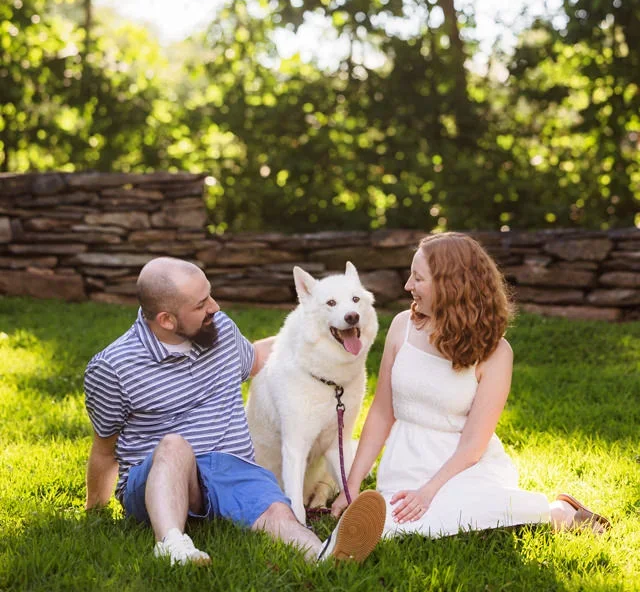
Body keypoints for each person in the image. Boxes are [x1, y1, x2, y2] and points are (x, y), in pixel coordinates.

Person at [84, 256, 385, 566]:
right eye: (201, 304)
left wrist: (313, 334)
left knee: (278, 511)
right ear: (167, 320)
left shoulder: (220, 329)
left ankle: (323, 555)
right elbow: (105, 450)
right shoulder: (112, 368)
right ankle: (172, 545)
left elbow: (255, 358)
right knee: (174, 445)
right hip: (157, 479)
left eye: (209, 295)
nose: (214, 306)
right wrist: (95, 511)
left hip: (231, 471)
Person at [331, 232, 611, 537]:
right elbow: (382, 413)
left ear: (449, 285)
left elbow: (473, 445)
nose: (407, 286)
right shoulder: (402, 327)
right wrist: (351, 486)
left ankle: (561, 513)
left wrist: (428, 493)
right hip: (407, 462)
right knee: (396, 528)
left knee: (460, 520)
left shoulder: (496, 353)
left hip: (462, 466)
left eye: (417, 278)